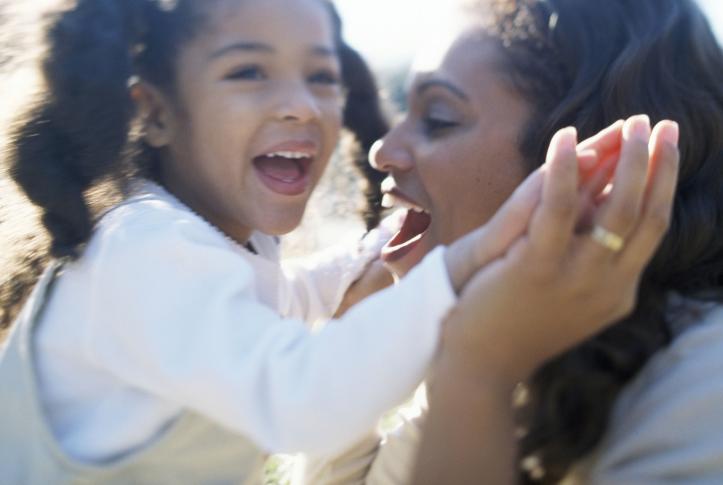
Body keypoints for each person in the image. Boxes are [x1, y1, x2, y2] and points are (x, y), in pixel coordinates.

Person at [0, 0, 677, 483]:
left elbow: (287, 303)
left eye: (320, 76)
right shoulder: (143, 250)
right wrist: (467, 256)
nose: (302, 104)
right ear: (153, 112)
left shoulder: (203, 247)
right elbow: (302, 407)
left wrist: (380, 254)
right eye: (248, 72)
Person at [302, 0, 722, 483]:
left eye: (438, 118)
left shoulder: (703, 389)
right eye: (406, 110)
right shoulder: (501, 320)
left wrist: (481, 370)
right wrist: (357, 331)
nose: (384, 151)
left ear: (596, 162)